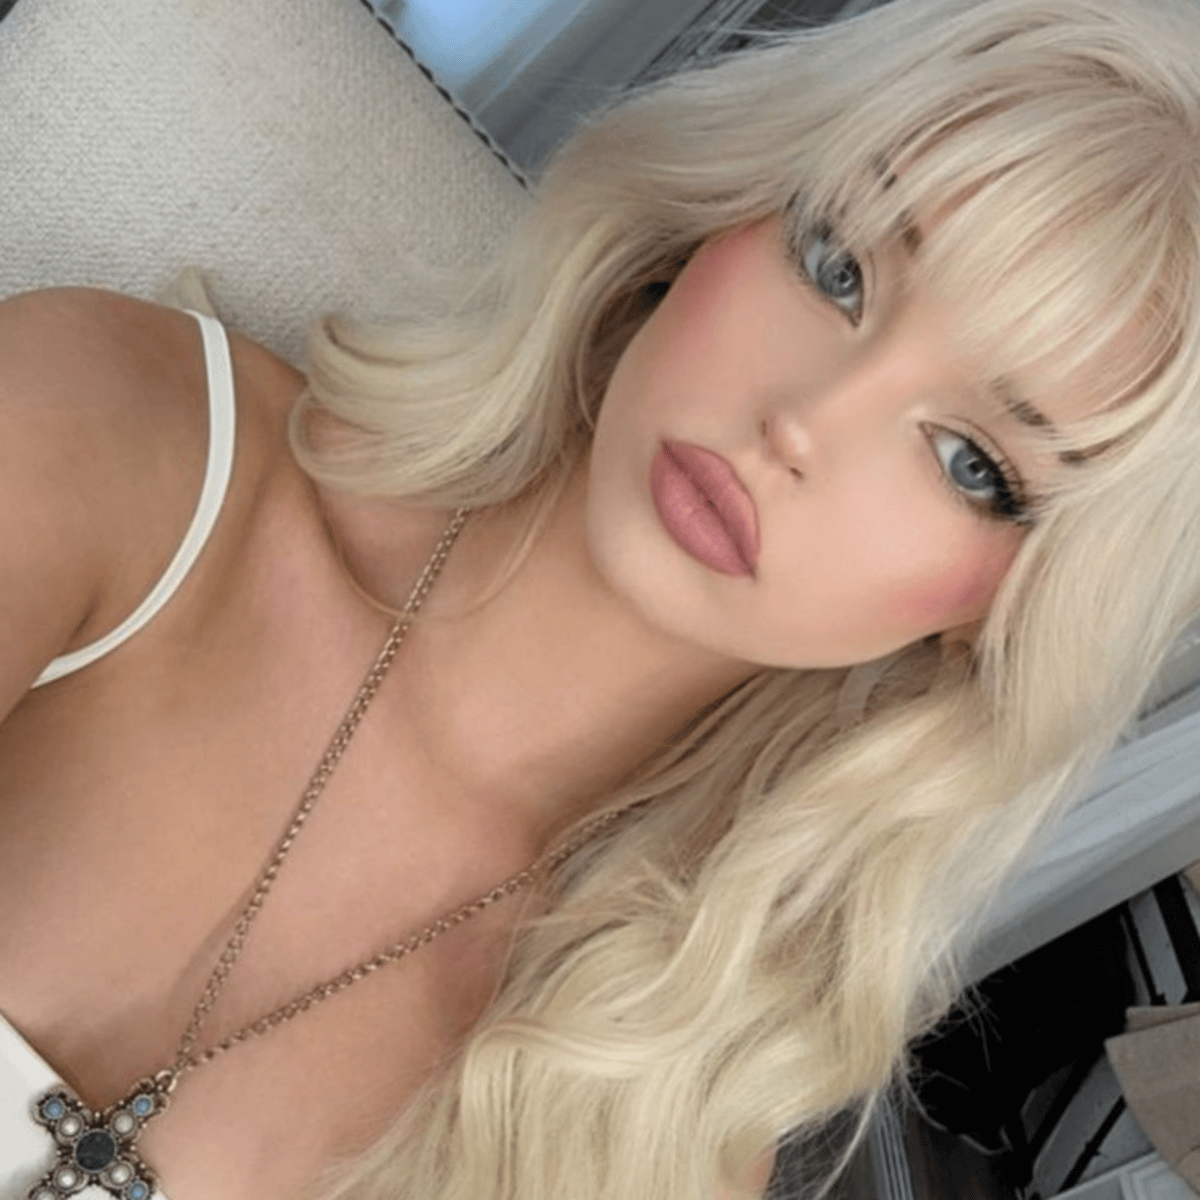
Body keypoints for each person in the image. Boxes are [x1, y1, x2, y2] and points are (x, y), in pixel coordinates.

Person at [2, 0, 1199, 1196]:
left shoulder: (656, 1115)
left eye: (971, 463)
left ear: (1008, 615)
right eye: (838, 267)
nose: (802, 422)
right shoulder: (117, 440)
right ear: (724, 213)